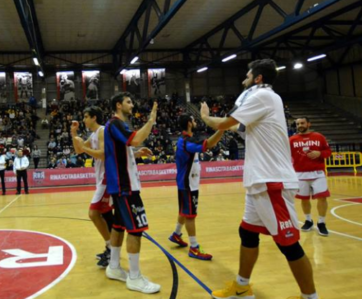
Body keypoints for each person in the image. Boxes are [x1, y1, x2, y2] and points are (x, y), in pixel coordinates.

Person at [200, 59, 318, 299]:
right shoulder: (263, 99)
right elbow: (236, 127)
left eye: (247, 74)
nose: (244, 78)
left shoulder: (262, 96)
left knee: (289, 243)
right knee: (247, 232)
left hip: (271, 180)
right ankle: (242, 287)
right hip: (260, 181)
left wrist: (205, 117)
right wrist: (222, 126)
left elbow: (224, 122)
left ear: (258, 78)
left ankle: (311, 297)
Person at [104, 92, 160, 294]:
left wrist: (136, 153)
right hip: (125, 186)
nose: (132, 104)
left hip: (121, 185)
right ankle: (135, 277)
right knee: (136, 230)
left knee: (118, 226)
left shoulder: (117, 126)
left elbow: (123, 149)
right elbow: (135, 139)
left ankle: (114, 266)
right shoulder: (116, 123)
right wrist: (151, 121)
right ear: (118, 105)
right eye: (128, 102)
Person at [168, 114, 223, 260]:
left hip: (186, 183)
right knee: (191, 215)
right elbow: (208, 145)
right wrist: (222, 129)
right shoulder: (186, 142)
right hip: (188, 185)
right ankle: (194, 247)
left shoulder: (185, 140)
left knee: (184, 210)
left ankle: (176, 234)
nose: (195, 121)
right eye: (193, 120)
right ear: (189, 124)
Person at [71, 106, 113, 269]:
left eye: (86, 116)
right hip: (100, 178)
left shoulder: (102, 131)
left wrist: (85, 147)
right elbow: (78, 151)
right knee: (106, 216)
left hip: (106, 178)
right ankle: (111, 248)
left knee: (93, 213)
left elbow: (102, 154)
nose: (83, 119)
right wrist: (74, 134)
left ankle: (110, 248)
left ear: (94, 117)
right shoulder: (94, 134)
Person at [290, 117, 332, 236]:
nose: (300, 125)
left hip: (318, 173)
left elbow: (328, 152)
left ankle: (321, 222)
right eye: (298, 124)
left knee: (322, 198)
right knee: (304, 199)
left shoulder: (319, 137)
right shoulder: (292, 139)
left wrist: (320, 153)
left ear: (308, 124)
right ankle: (308, 220)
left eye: (302, 123)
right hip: (300, 174)